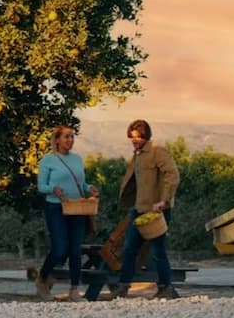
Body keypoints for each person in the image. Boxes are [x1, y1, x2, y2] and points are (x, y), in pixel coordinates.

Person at [115, 119, 182, 299]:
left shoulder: (157, 152)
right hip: (139, 209)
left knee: (157, 251)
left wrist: (164, 200)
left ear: (146, 136)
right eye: (132, 138)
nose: (135, 140)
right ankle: (123, 286)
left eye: (138, 137)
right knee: (129, 248)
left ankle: (166, 287)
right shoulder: (136, 156)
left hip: (157, 211)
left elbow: (173, 175)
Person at [35, 125, 100, 302]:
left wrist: (90, 188)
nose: (70, 140)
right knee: (59, 248)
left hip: (77, 208)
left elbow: (81, 184)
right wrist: (53, 189)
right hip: (56, 207)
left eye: (72, 137)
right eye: (66, 137)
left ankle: (74, 289)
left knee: (75, 250)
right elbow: (41, 187)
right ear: (57, 140)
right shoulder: (48, 160)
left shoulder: (77, 159)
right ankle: (43, 277)